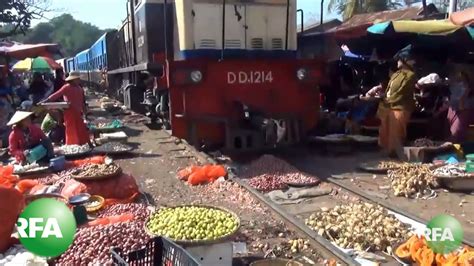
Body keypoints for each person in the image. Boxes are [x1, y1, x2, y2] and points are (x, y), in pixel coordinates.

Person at [377, 56, 417, 157]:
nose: (397, 62)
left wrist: (388, 99)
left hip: (400, 107)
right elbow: (389, 90)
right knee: (385, 132)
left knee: (396, 133)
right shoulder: (395, 74)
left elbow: (402, 92)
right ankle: (389, 154)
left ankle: (396, 155)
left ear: (405, 62)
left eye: (399, 60)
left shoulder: (410, 75)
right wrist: (384, 97)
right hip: (389, 106)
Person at [42, 73, 89, 145]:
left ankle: (81, 143)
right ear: (73, 80)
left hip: (79, 113)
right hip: (69, 112)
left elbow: (82, 101)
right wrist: (46, 101)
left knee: (80, 128)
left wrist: (84, 111)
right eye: (77, 79)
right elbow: (56, 95)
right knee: (70, 129)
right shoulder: (66, 87)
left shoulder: (79, 89)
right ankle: (72, 144)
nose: (79, 80)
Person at [437, 69, 474, 143]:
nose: (459, 84)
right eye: (457, 80)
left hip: (463, 112)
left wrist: (464, 96)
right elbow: (448, 103)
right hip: (453, 111)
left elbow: (462, 106)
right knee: (447, 134)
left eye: (462, 81)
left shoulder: (470, 100)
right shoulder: (452, 92)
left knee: (455, 137)